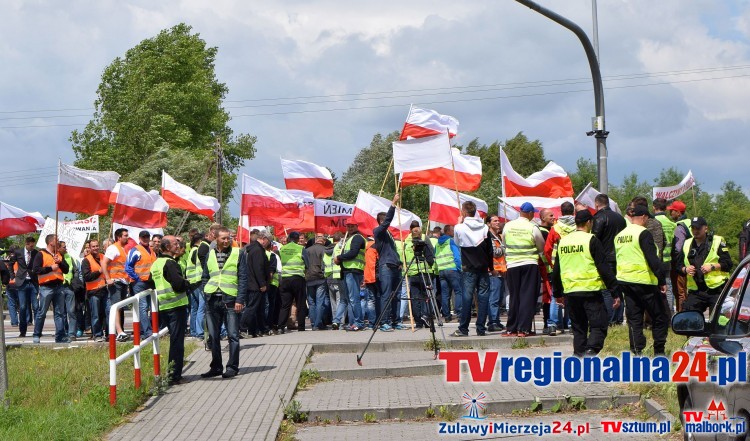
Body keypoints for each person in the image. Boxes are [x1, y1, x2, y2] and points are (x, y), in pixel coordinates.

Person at [552, 210, 616, 356]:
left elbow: (556, 271)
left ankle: (578, 357)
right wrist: (615, 291)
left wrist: (557, 293)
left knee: (579, 328)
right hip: (590, 291)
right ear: (589, 222)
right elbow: (604, 268)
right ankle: (591, 350)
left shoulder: (563, 241)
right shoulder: (591, 240)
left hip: (570, 292)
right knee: (599, 325)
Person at [614, 205, 668, 356]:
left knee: (634, 318)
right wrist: (661, 279)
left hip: (625, 281)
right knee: (659, 317)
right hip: (644, 282)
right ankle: (659, 351)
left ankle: (637, 350)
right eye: (647, 218)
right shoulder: (643, 233)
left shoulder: (620, 235)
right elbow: (652, 258)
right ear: (644, 217)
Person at [202, 227, 246, 379]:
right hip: (212, 299)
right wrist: (205, 292)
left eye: (229, 238)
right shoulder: (210, 254)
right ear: (215, 238)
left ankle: (232, 367)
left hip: (230, 300)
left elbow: (243, 277)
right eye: (223, 238)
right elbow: (205, 276)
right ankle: (216, 367)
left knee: (233, 335)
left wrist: (240, 299)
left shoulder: (238, 253)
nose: (227, 241)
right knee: (213, 337)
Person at [149, 235, 189, 384]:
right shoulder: (170, 263)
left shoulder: (156, 263)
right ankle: (174, 376)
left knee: (174, 340)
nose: (178, 246)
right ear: (167, 247)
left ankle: (173, 373)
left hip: (164, 306)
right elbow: (178, 285)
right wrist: (188, 283)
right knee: (177, 342)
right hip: (176, 306)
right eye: (175, 244)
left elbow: (150, 283)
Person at [501, 202, 546, 337]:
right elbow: (541, 246)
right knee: (527, 296)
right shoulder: (532, 227)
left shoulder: (508, 226)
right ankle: (524, 329)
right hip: (529, 264)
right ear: (530, 213)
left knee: (514, 296)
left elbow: (504, 244)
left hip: (512, 265)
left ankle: (511, 328)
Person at [452, 201, 493, 337]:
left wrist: (459, 222)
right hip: (483, 267)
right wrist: (491, 267)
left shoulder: (459, 227)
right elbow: (490, 250)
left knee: (467, 298)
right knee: (483, 298)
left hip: (468, 267)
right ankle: (481, 328)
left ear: (464, 212)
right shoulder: (485, 228)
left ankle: (463, 328)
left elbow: (457, 243)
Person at [676, 217, 732, 315]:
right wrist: (685, 269)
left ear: (706, 228)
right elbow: (678, 266)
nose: (695, 231)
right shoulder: (687, 243)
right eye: (693, 228)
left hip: (716, 290)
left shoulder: (717, 241)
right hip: (696, 290)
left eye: (698, 228)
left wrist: (712, 267)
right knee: (688, 316)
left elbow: (728, 264)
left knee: (718, 321)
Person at [591, 194, 626, 325]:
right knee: (618, 288)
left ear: (597, 204)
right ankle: (618, 319)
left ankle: (609, 319)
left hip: (605, 258)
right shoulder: (620, 218)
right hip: (620, 257)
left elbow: (594, 239)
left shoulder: (599, 217)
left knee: (606, 289)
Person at [544, 201, 577, 335]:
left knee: (554, 296)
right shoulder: (578, 227)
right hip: (574, 265)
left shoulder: (555, 228)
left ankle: (552, 324)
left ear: (561, 212)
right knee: (571, 295)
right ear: (573, 212)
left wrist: (552, 264)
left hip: (558, 266)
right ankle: (570, 324)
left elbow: (547, 249)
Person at [32, 234, 70, 343]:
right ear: (50, 242)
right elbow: (36, 270)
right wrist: (50, 268)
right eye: (56, 240)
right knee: (42, 312)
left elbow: (66, 270)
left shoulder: (59, 255)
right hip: (46, 287)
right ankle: (37, 334)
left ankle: (60, 336)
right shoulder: (41, 254)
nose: (58, 242)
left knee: (59, 313)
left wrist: (60, 262)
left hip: (59, 287)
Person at [373, 193, 402, 331]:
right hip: (386, 266)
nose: (387, 221)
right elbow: (387, 221)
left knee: (396, 295)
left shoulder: (389, 234)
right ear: (380, 221)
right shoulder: (378, 231)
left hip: (395, 265)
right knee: (386, 294)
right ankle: (384, 322)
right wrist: (393, 204)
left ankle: (396, 321)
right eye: (384, 219)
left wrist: (399, 261)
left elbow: (393, 249)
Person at [101, 228, 132, 342]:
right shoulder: (113, 248)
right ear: (119, 237)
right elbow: (104, 263)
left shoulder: (123, 249)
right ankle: (118, 332)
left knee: (119, 307)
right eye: (125, 235)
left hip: (123, 281)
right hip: (115, 281)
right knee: (116, 306)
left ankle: (119, 331)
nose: (127, 237)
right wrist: (108, 278)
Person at [335, 221, 367, 332]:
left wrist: (339, 257)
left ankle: (359, 322)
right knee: (351, 299)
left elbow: (353, 253)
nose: (350, 227)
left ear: (357, 226)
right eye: (348, 226)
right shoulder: (350, 238)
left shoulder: (357, 238)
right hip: (348, 271)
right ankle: (354, 322)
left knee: (354, 299)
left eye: (352, 225)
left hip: (353, 271)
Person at [402, 225, 435, 328]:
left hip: (412, 274)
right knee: (427, 296)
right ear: (420, 234)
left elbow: (403, 258)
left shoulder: (406, 244)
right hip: (424, 272)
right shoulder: (423, 243)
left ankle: (418, 322)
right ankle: (426, 316)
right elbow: (430, 258)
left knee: (415, 298)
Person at [126, 230, 157, 339]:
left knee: (148, 307)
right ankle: (148, 332)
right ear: (139, 238)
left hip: (150, 282)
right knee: (143, 307)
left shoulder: (152, 251)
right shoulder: (135, 250)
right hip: (139, 283)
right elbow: (128, 267)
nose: (145, 239)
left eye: (147, 237)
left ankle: (144, 331)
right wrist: (136, 278)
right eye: (143, 237)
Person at [241, 230, 270, 336]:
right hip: (255, 285)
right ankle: (242, 328)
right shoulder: (258, 250)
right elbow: (258, 269)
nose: (268, 244)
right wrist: (262, 284)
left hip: (251, 283)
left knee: (258, 309)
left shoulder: (250, 248)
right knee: (251, 308)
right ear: (264, 239)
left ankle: (256, 330)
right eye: (268, 241)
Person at [277, 232, 307, 332]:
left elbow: (279, 261)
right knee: (300, 303)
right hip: (298, 278)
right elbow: (307, 262)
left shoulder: (282, 248)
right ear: (298, 239)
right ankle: (301, 327)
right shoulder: (301, 248)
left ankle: (281, 327)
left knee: (285, 305)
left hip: (285, 278)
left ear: (289, 238)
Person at [9, 237, 39, 337]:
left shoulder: (35, 253)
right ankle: (22, 331)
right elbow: (10, 264)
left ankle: (37, 330)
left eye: (33, 245)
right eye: (31, 245)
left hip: (33, 282)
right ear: (26, 244)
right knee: (22, 307)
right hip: (22, 282)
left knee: (36, 307)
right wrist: (13, 276)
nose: (32, 247)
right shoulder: (18, 252)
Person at [436, 224, 463, 323]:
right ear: (448, 231)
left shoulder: (438, 244)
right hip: (452, 269)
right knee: (458, 292)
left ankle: (447, 316)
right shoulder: (451, 241)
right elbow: (457, 256)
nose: (453, 232)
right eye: (452, 230)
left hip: (442, 270)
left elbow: (436, 256)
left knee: (445, 294)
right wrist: (460, 268)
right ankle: (459, 314)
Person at [82, 239, 107, 342]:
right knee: (95, 315)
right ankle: (97, 334)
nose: (96, 248)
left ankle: (107, 333)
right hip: (93, 291)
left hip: (105, 289)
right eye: (93, 246)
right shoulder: (86, 260)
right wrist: (99, 271)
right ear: (89, 248)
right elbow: (86, 277)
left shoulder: (103, 257)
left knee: (105, 313)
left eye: (97, 246)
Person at [653, 198, 676, 312]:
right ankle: (670, 313)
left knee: (654, 288)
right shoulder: (672, 224)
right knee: (668, 288)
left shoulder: (651, 222)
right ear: (666, 208)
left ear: (654, 207)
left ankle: (656, 314)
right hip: (667, 259)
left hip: (655, 260)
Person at [302, 233, 329, 331]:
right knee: (320, 301)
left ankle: (313, 323)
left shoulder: (307, 250)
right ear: (324, 241)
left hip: (309, 277)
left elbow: (303, 263)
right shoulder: (325, 250)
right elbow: (325, 264)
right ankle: (318, 324)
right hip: (320, 277)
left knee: (311, 301)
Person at [668, 200, 690, 311]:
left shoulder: (679, 226)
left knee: (680, 291)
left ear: (678, 213)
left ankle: (681, 317)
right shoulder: (690, 222)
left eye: (672, 211)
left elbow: (677, 248)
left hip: (681, 264)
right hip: (692, 262)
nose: (670, 213)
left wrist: (675, 263)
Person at [486, 216, 506, 332]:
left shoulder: (497, 237)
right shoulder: (490, 237)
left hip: (500, 271)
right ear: (489, 224)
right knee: (494, 298)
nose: (498, 222)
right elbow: (495, 253)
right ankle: (492, 321)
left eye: (498, 220)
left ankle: (496, 320)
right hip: (493, 272)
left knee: (498, 298)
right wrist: (504, 244)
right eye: (495, 221)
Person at [59, 241, 82, 340]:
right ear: (58, 248)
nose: (66, 248)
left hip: (69, 287)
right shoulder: (54, 257)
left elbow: (75, 270)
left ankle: (72, 333)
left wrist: (74, 280)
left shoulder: (69, 257)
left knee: (71, 311)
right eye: (64, 247)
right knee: (61, 312)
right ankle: (63, 332)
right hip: (59, 287)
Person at [185, 233, 205, 340]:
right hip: (197, 282)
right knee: (201, 307)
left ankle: (194, 331)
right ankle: (200, 332)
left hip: (191, 282)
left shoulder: (192, 250)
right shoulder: (197, 250)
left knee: (195, 308)